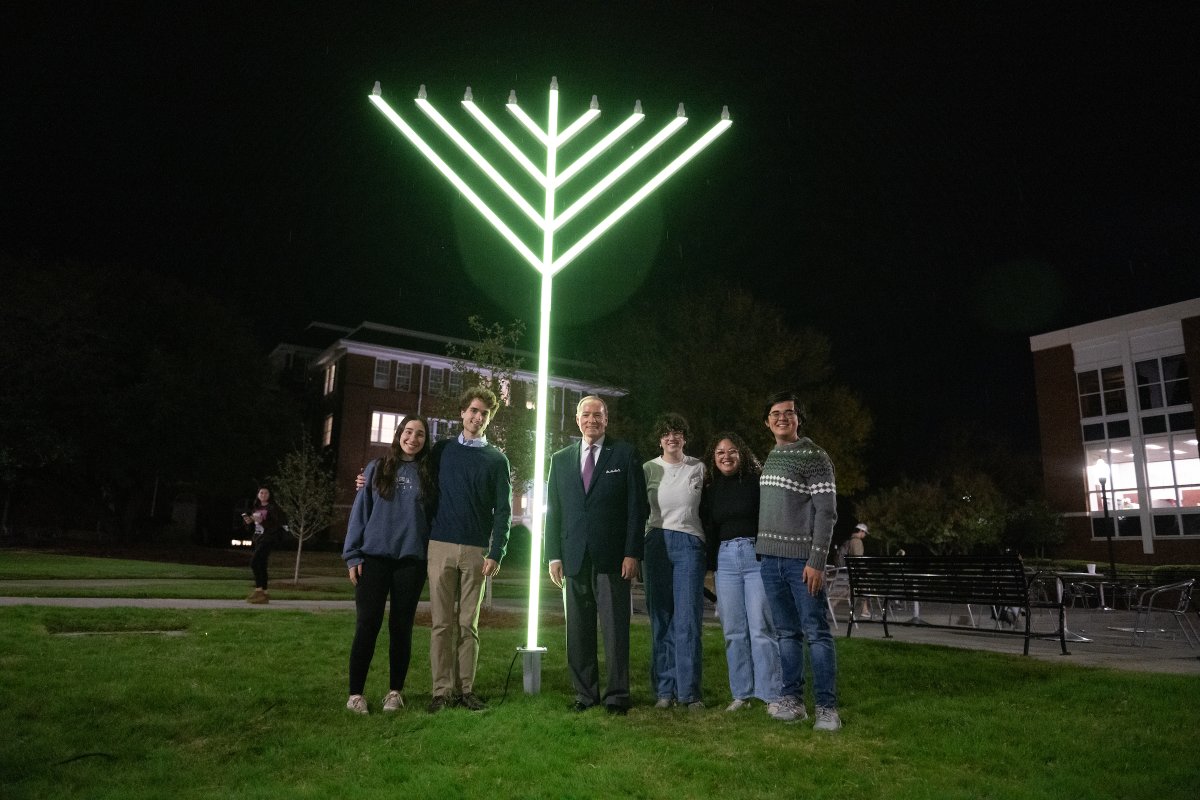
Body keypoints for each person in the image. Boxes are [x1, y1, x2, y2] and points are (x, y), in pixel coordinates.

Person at [546, 395, 649, 715]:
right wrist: (553, 556)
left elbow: (637, 509)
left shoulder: (625, 454)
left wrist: (632, 552)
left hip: (613, 558)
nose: (592, 420)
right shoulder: (560, 459)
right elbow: (554, 513)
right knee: (577, 630)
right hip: (574, 557)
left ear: (607, 420)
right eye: (586, 414)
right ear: (577, 420)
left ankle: (617, 695)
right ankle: (585, 693)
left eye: (598, 415)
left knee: (616, 629)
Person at [756, 391, 843, 731]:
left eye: (788, 413)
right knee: (786, 634)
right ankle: (792, 702)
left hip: (801, 563)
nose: (782, 418)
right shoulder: (773, 455)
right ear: (767, 422)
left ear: (798, 419)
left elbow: (827, 512)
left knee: (816, 633)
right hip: (771, 560)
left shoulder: (815, 455)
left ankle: (826, 707)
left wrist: (817, 560)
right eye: (775, 413)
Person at [425, 387, 512, 713]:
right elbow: (419, 483)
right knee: (441, 624)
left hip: (476, 550)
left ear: (488, 419)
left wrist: (496, 551)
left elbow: (503, 511)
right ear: (462, 412)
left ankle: (466, 690)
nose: (477, 417)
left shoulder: (496, 460)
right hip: (440, 545)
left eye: (484, 414)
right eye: (473, 410)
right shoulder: (442, 451)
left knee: (468, 625)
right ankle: (441, 692)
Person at [342, 415, 433, 715]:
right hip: (374, 559)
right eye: (408, 431)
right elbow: (360, 512)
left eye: (420, 434)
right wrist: (352, 554)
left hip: (411, 562)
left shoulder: (429, 474)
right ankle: (356, 695)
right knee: (367, 625)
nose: (413, 438)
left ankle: (395, 692)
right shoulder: (376, 469)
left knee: (401, 628)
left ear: (425, 440)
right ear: (398, 434)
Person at [701, 432, 782, 715]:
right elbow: (710, 529)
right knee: (733, 630)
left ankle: (771, 694)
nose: (726, 456)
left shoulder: (756, 483)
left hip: (754, 557)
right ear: (714, 457)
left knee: (761, 627)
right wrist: (709, 567)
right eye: (720, 452)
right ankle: (741, 693)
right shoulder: (711, 490)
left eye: (732, 451)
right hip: (725, 560)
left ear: (742, 454)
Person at [642, 412, 706, 710]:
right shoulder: (647, 469)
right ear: (660, 439)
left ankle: (689, 692)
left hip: (689, 543)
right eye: (666, 433)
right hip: (655, 543)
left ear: (684, 437)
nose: (672, 437)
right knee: (661, 617)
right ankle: (665, 690)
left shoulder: (699, 468)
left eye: (677, 432)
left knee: (688, 620)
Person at [243, 486, 284, 604]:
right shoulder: (257, 508)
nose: (263, 495)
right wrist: (248, 522)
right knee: (262, 565)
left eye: (266, 493)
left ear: (270, 495)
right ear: (258, 495)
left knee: (254, 563)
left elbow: (276, 525)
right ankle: (265, 594)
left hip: (268, 539)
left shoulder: (273, 508)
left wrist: (263, 522)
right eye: (261, 492)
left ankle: (258, 590)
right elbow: (254, 527)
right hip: (259, 538)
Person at [847, 523, 871, 619]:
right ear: (861, 531)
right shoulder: (857, 542)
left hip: (850, 572)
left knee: (849, 590)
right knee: (865, 585)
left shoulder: (850, 541)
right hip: (856, 573)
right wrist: (864, 571)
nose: (865, 535)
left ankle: (831, 605)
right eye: (865, 533)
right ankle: (865, 610)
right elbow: (858, 558)